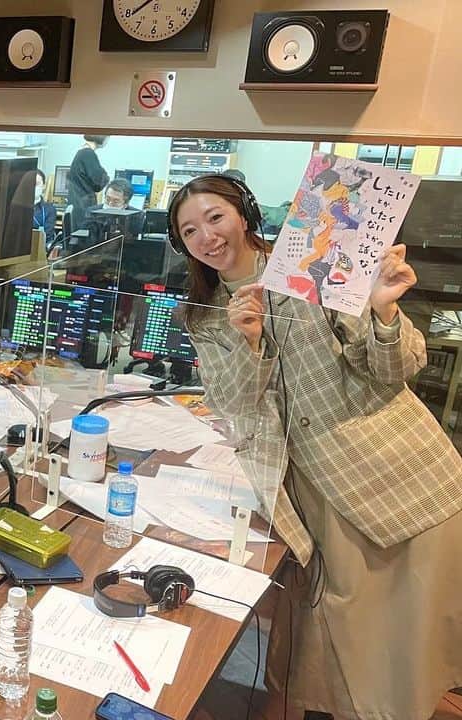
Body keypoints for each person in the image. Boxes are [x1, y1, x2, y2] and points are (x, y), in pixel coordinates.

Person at [168, 174, 462, 719]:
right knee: (350, 640)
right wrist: (248, 342)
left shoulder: (315, 262)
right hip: (312, 485)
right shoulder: (204, 315)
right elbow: (232, 404)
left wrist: (383, 310)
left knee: (417, 634)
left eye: (215, 217)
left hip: (397, 469)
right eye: (189, 231)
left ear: (244, 214)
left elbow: (396, 369)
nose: (206, 236)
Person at [67, 134, 109, 232]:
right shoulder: (88, 154)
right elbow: (99, 182)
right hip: (83, 208)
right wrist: (106, 176)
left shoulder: (82, 153)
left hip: (79, 205)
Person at [31, 169, 57, 248]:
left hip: (42, 248)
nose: (33, 187)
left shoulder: (50, 209)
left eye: (37, 184)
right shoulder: (17, 208)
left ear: (44, 186)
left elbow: (48, 235)